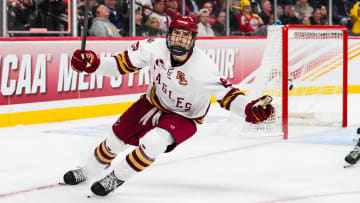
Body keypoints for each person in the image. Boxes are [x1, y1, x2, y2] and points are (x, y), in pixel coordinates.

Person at [63, 15, 274, 196]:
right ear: (168, 34)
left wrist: (249, 109)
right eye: (176, 33)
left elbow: (228, 95)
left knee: (154, 142)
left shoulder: (203, 68)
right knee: (114, 141)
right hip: (152, 103)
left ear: (193, 39)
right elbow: (120, 64)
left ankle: (116, 177)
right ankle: (89, 170)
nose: (180, 39)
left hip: (184, 117)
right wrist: (95, 64)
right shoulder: (153, 47)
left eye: (186, 35)